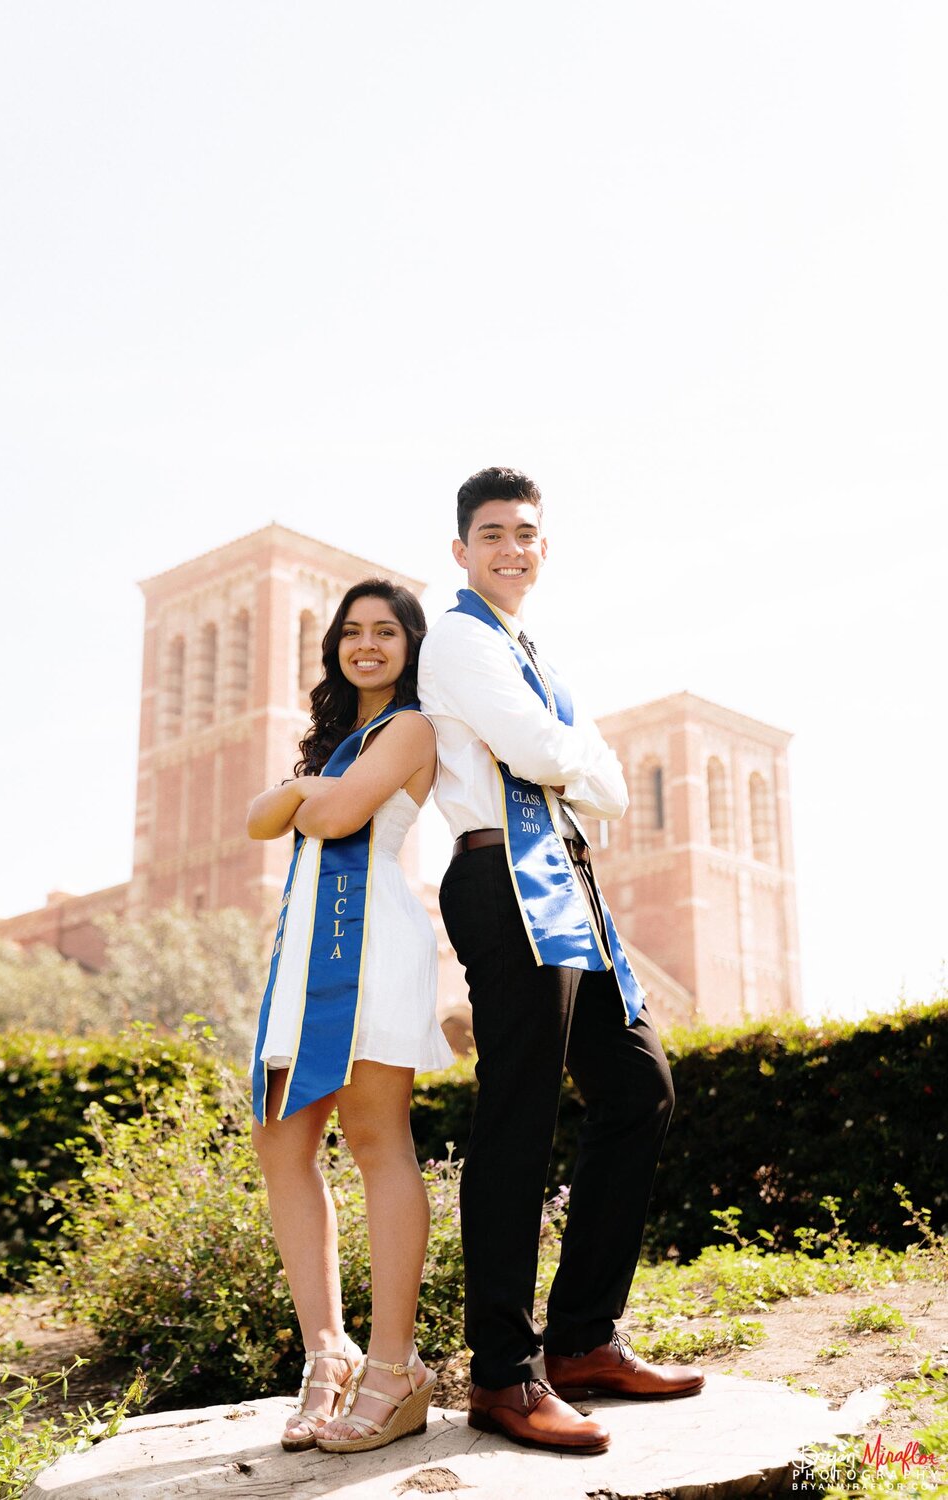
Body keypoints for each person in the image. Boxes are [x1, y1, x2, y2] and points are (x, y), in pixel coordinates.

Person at [418, 468, 704, 1456]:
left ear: (543, 549)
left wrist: (575, 759)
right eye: (490, 532)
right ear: (461, 550)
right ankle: (503, 1374)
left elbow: (591, 783)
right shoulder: (456, 636)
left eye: (526, 533)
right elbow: (545, 754)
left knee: (637, 1088)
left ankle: (582, 1337)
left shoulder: (526, 647)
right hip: (504, 879)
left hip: (564, 880)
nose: (510, 547)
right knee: (519, 1111)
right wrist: (579, 756)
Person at [248, 578, 453, 1456]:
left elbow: (325, 813)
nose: (367, 644)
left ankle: (393, 1364)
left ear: (412, 646)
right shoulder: (335, 740)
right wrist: (299, 795)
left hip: (370, 951)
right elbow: (262, 820)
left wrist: (302, 796)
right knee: (281, 1142)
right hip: (304, 955)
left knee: (377, 1141)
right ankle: (325, 1353)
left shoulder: (409, 728)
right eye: (352, 631)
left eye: (386, 632)